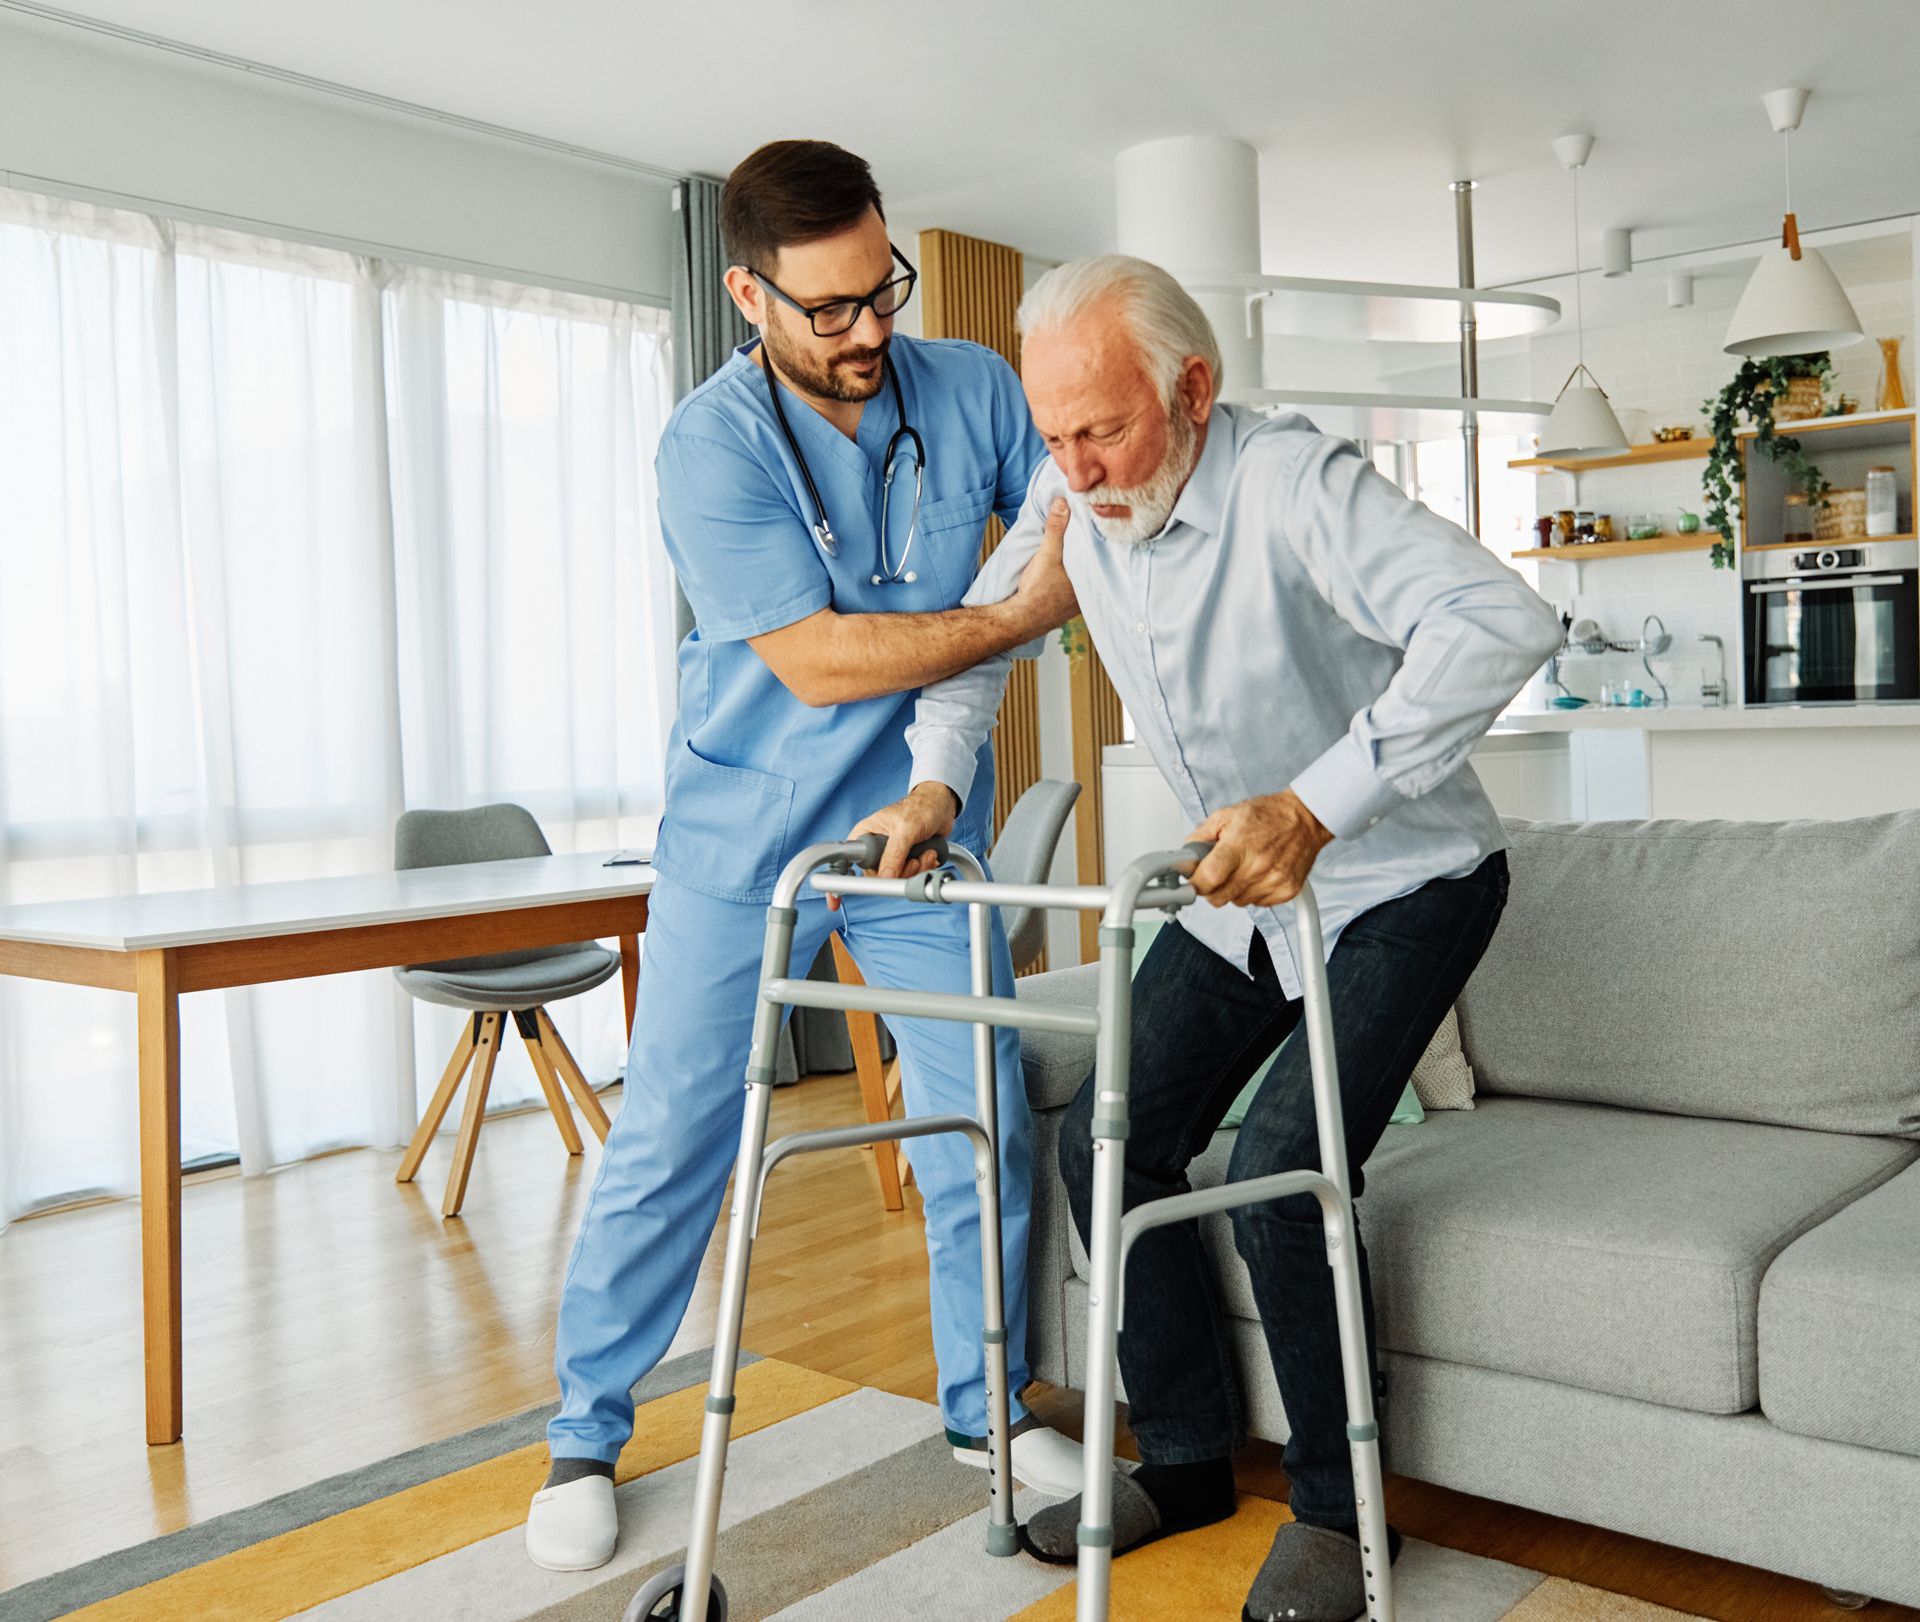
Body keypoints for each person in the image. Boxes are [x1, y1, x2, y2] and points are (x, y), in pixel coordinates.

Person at [851, 254, 1562, 1620]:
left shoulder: (1294, 487)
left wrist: (1319, 803)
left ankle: (1340, 1518)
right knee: (1104, 1135)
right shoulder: (1077, 490)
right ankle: (1179, 1457)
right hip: (1240, 891)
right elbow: (990, 634)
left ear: (1192, 386)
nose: (1075, 468)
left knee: (1289, 1163)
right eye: (1053, 438)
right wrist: (942, 781)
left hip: (1401, 881)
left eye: (1101, 429)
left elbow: (1499, 617)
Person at [525, 141, 1085, 1573]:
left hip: (910, 824)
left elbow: (1064, 530)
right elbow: (829, 662)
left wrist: (953, 756)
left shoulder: (968, 387)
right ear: (748, 296)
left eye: (881, 291)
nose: (869, 333)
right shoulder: (708, 448)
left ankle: (989, 1411)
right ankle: (586, 1428)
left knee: (987, 1105)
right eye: (828, 309)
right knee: (677, 1131)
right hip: (743, 822)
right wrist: (1010, 619)